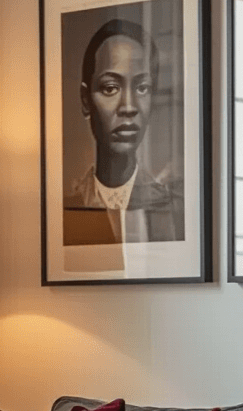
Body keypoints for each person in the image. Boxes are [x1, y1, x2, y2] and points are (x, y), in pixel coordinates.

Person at [65, 18, 183, 243]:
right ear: (85, 100)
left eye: (142, 88)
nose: (128, 107)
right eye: (110, 88)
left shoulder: (174, 206)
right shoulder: (68, 204)